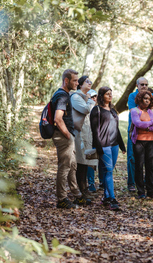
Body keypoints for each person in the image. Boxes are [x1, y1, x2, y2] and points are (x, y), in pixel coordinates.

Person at [51, 69, 86, 209]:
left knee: (72, 166)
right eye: (75, 80)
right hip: (63, 136)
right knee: (64, 167)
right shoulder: (62, 96)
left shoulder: (64, 94)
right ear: (66, 81)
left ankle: (77, 195)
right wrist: (68, 136)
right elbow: (58, 119)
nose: (78, 83)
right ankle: (62, 199)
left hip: (66, 136)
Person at [90, 86, 126, 211]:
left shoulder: (113, 110)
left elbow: (116, 129)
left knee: (107, 172)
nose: (110, 96)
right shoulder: (96, 110)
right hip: (104, 146)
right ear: (101, 96)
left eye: (111, 94)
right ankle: (112, 199)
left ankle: (106, 197)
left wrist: (122, 145)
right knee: (109, 171)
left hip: (114, 144)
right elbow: (95, 131)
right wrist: (98, 147)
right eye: (107, 94)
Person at [127, 77, 153, 192]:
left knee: (150, 162)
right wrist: (151, 122)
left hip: (150, 136)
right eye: (142, 84)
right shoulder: (132, 96)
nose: (144, 86)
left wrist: (148, 123)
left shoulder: (152, 95)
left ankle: (149, 186)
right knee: (133, 159)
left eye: (146, 84)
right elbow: (133, 113)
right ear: (137, 85)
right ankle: (132, 183)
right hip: (135, 133)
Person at [70, 75, 95, 205]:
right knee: (80, 163)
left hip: (87, 134)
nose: (90, 83)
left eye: (90, 81)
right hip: (78, 135)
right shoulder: (76, 97)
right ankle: (79, 191)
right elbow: (86, 109)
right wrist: (91, 101)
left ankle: (84, 189)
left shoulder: (85, 98)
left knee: (85, 162)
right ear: (80, 84)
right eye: (87, 81)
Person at [85, 89, 100, 193]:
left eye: (95, 97)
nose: (94, 99)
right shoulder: (86, 108)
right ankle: (90, 183)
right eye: (92, 97)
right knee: (89, 161)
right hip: (87, 137)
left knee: (96, 161)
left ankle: (98, 181)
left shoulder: (99, 109)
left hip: (97, 138)